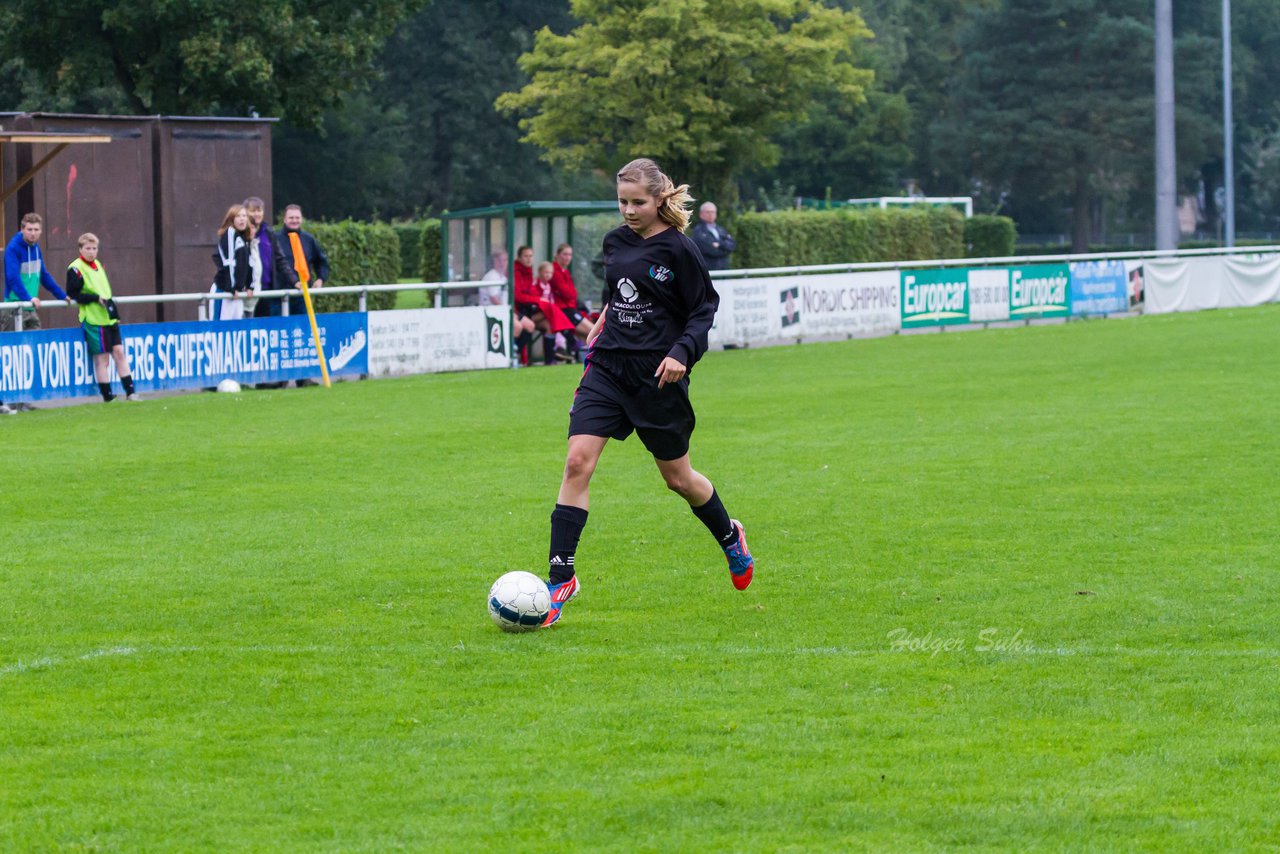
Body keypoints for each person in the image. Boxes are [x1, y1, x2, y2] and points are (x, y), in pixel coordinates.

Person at [538, 158, 755, 627]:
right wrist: (602, 316)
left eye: (638, 202)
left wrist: (682, 353)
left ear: (660, 199)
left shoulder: (680, 249)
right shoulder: (615, 241)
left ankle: (729, 535)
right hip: (608, 369)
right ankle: (561, 577)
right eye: (622, 202)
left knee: (679, 480)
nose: (629, 211)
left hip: (658, 376)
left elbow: (704, 309)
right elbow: (620, 292)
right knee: (577, 461)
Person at [65, 233, 142, 402]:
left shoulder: (98, 265)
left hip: (108, 318)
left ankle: (130, 392)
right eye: (88, 248)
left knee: (119, 353)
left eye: (94, 248)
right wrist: (94, 299)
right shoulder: (76, 268)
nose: (91, 252)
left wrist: (115, 314)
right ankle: (108, 396)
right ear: (80, 249)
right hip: (93, 319)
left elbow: (105, 292)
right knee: (102, 358)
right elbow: (73, 293)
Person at [4, 212, 70, 332]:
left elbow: (43, 275)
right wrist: (28, 298)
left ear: (41, 231)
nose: (33, 233)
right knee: (14, 348)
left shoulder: (35, 247)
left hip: (31, 306)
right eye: (29, 229)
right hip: (14, 307)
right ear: (22, 229)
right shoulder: (13, 248)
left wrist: (62, 295)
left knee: (35, 346)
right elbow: (12, 278)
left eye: (36, 229)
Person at [512, 245, 573, 365]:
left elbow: (571, 293)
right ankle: (515, 355)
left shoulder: (528, 271)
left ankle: (550, 361)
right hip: (519, 310)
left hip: (529, 311)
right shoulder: (517, 272)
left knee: (549, 324)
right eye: (526, 256)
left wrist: (537, 300)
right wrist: (538, 299)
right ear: (519, 257)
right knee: (548, 311)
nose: (529, 259)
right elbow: (519, 296)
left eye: (531, 256)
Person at [244, 197, 299, 319]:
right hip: (247, 293)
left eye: (259, 210)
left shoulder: (269, 233)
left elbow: (280, 260)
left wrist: (295, 281)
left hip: (268, 291)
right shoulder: (240, 235)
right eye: (253, 211)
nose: (257, 214)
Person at [480, 248, 536, 365]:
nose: (503, 263)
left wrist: (512, 312)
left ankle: (516, 351)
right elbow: (494, 299)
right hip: (492, 312)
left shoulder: (504, 277)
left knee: (530, 325)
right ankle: (511, 356)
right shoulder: (492, 276)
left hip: (505, 310)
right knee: (517, 327)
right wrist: (509, 313)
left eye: (505, 260)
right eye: (500, 260)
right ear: (494, 261)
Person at [278, 204, 329, 318]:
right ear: (284, 219)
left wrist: (321, 278)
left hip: (302, 295)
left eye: (297, 218)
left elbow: (321, 261)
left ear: (302, 219)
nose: (294, 220)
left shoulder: (308, 239)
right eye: (291, 218)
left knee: (302, 330)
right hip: (278, 295)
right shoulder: (275, 239)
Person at [549, 242, 594, 357]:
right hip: (564, 310)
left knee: (587, 335)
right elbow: (567, 293)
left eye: (570, 255)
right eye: (565, 254)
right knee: (593, 331)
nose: (567, 257)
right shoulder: (554, 270)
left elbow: (572, 293)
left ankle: (587, 359)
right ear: (557, 255)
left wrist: (571, 292)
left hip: (570, 308)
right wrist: (571, 292)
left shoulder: (565, 271)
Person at [210, 205, 254, 321]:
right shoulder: (230, 233)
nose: (242, 219)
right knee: (219, 329)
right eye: (238, 216)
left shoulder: (245, 239)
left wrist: (250, 286)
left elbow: (249, 264)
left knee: (237, 328)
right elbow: (228, 261)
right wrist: (231, 287)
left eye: (244, 216)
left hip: (237, 293)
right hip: (224, 290)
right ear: (232, 219)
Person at [690, 201, 736, 271]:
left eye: (713, 212)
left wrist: (719, 245)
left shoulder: (721, 229)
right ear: (701, 214)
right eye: (708, 212)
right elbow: (710, 250)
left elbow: (732, 245)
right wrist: (725, 250)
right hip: (708, 271)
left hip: (724, 270)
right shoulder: (698, 231)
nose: (711, 214)